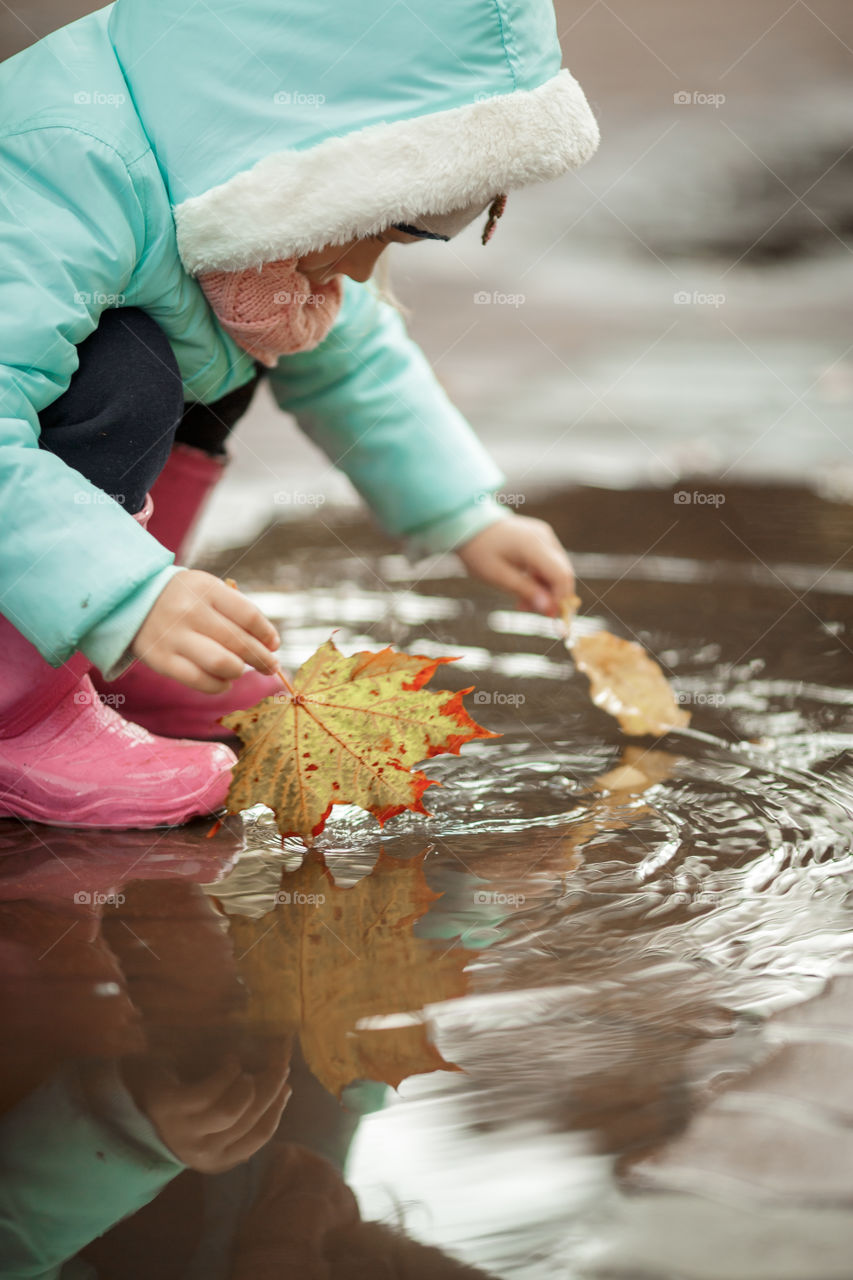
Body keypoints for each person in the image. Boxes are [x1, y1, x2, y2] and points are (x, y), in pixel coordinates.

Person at [0, 0, 600, 829]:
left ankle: (111, 646)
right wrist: (122, 593)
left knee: (247, 339)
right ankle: (20, 703)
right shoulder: (71, 160)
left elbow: (353, 355)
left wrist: (464, 514)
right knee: (130, 371)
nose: (360, 266)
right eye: (384, 226)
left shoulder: (249, 197)